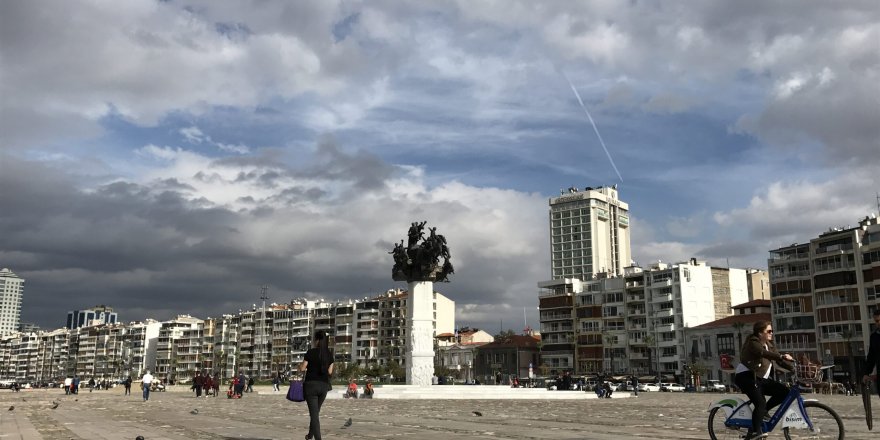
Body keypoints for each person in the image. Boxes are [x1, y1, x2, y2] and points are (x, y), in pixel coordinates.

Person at [733, 321, 794, 440]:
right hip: (746, 377)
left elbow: (779, 360)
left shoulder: (769, 345)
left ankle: (763, 412)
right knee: (760, 403)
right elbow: (762, 353)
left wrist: (793, 368)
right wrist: (781, 356)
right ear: (760, 333)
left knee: (785, 392)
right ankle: (756, 431)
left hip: (760, 379)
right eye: (769, 331)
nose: (772, 333)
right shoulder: (753, 342)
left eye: (772, 331)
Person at [298, 330, 334, 440]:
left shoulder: (310, 352)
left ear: (317, 340)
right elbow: (330, 372)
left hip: (311, 386)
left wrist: (298, 367)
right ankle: (310, 435)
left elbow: (303, 368)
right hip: (323, 386)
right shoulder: (329, 354)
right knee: (315, 413)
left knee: (314, 415)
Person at [863, 308, 880, 398]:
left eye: (878, 320)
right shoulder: (874, 337)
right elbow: (871, 357)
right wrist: (866, 373)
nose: (877, 323)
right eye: (876, 321)